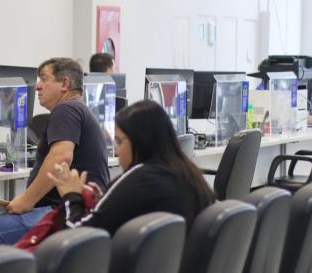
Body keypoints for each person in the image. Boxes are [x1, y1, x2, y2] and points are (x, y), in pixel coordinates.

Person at [0, 57, 110, 246]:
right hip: (83, 209)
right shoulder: (79, 109)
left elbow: (61, 158)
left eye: (44, 79)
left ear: (64, 83)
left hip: (65, 209)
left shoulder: (67, 109)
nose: (38, 86)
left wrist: (26, 201)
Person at [46, 100, 215, 236]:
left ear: (140, 142)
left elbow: (77, 237)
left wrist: (71, 195)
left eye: (119, 141)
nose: (117, 152)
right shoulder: (189, 175)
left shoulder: (139, 177)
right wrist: (106, 200)